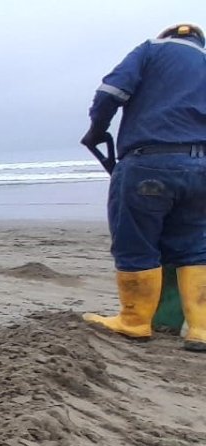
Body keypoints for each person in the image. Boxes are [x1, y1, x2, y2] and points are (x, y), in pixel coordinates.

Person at [80, 24, 206, 352]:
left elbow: (111, 92)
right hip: (202, 167)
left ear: (169, 36)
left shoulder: (152, 49)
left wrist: (97, 129)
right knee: (196, 245)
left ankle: (135, 321)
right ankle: (201, 328)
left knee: (135, 239)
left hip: (149, 159)